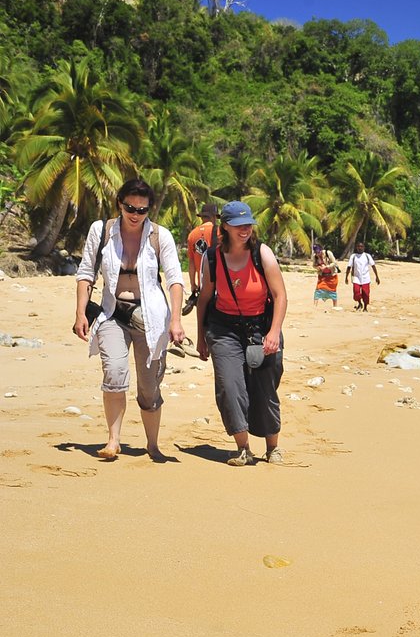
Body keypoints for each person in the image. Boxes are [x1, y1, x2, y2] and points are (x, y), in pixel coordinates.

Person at [72, 178, 186, 461]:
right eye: (129, 208)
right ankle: (113, 441)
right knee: (114, 372)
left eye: (142, 210)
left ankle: (152, 444)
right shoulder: (101, 231)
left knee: (149, 388)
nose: (135, 214)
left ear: (150, 210)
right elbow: (86, 272)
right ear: (119, 204)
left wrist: (176, 321)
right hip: (113, 314)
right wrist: (80, 313)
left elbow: (174, 279)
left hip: (151, 319)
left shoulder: (160, 236)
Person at [194, 200, 289, 466]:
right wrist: (201, 337)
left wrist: (274, 332)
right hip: (223, 327)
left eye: (248, 224)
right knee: (230, 385)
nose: (245, 229)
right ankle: (243, 448)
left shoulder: (262, 253)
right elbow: (204, 299)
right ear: (225, 226)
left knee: (265, 386)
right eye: (238, 225)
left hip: (261, 325)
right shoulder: (212, 257)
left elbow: (280, 296)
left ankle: (273, 447)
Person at [184, 201, 220, 314]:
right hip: (218, 285)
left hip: (202, 286)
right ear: (214, 217)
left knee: (203, 318)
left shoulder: (192, 234)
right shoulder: (220, 232)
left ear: (202, 217)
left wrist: (193, 284)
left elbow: (191, 263)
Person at [345, 241, 378, 311]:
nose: (360, 248)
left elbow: (373, 266)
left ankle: (365, 307)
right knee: (356, 292)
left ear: (364, 247)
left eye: (361, 246)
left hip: (366, 278)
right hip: (356, 277)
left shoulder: (367, 256)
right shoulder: (353, 256)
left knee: (366, 294)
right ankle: (360, 303)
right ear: (356, 247)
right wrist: (346, 277)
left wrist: (377, 277)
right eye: (358, 246)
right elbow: (349, 267)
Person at [312, 245, 339, 310]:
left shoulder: (328, 253)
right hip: (322, 276)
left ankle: (335, 306)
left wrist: (327, 267)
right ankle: (315, 306)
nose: (317, 254)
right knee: (318, 289)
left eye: (318, 252)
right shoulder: (315, 256)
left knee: (333, 291)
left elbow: (334, 263)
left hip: (331, 275)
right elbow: (314, 265)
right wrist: (318, 267)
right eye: (316, 252)